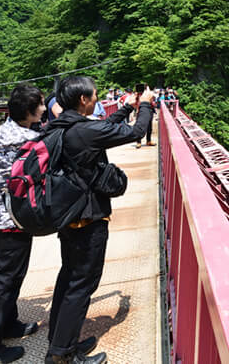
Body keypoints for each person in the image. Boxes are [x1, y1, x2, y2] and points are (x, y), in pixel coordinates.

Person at [43, 76, 155, 364]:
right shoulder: (84, 131)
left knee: (69, 277)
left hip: (68, 215)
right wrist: (144, 105)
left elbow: (103, 128)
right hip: (87, 218)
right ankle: (62, 355)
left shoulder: (59, 126)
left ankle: (60, 339)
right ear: (84, 100)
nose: (96, 99)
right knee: (82, 285)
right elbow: (137, 132)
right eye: (94, 96)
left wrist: (125, 108)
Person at [0, 84, 50, 363]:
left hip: (6, 213)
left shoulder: (7, 130)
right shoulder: (27, 140)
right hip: (13, 216)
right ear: (29, 112)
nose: (44, 108)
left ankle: (7, 324)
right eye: (40, 104)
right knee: (3, 280)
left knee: (12, 274)